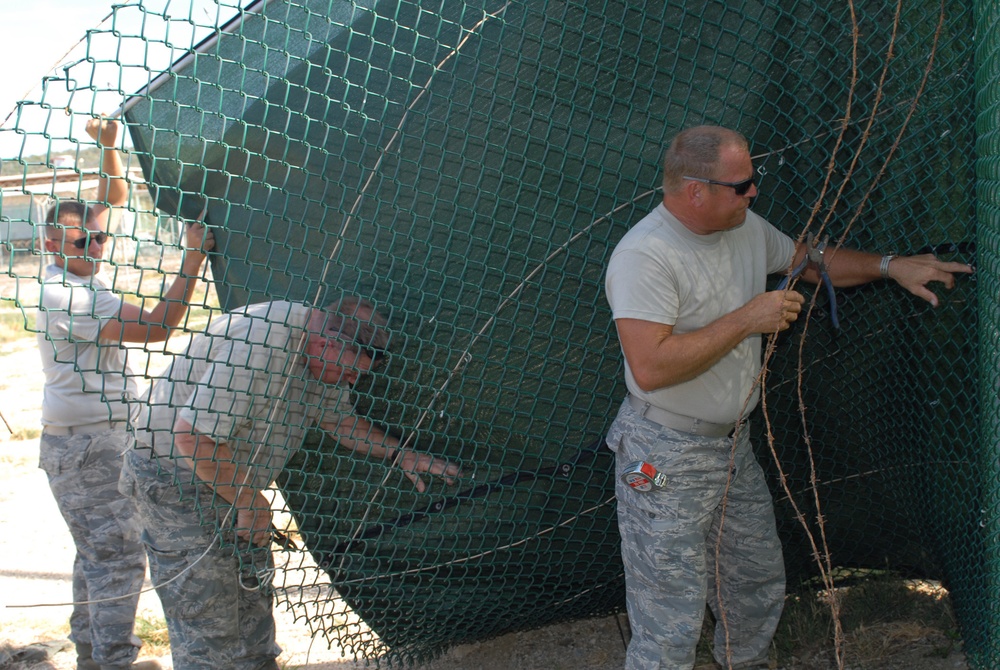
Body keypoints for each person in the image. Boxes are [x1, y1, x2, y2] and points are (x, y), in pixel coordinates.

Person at [603, 125, 973, 670]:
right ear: (696, 190)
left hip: (733, 449)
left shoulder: (744, 226)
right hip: (659, 455)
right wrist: (748, 318)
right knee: (668, 617)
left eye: (755, 180)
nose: (754, 193)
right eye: (742, 184)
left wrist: (892, 266)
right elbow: (651, 366)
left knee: (753, 580)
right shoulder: (645, 255)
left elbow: (810, 261)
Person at [118, 296, 461, 670]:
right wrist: (251, 504)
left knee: (252, 604)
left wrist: (401, 454)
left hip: (231, 476)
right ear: (326, 342)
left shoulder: (321, 354)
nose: (354, 380)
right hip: (176, 475)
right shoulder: (260, 345)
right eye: (351, 371)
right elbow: (193, 438)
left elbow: (340, 421)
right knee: (209, 622)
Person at [36, 115, 214, 670]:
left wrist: (109, 148)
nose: (94, 245)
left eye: (98, 238)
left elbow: (108, 200)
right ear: (49, 241)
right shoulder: (73, 295)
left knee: (96, 552)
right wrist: (193, 259)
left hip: (80, 438)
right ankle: (111, 660)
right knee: (117, 559)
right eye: (80, 239)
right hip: (93, 443)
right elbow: (161, 326)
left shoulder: (67, 269)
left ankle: (92, 649)